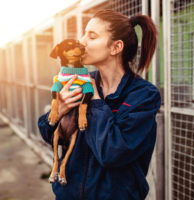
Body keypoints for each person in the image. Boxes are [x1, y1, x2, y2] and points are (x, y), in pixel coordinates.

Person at [38, 9, 161, 200]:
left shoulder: (143, 95)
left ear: (115, 47)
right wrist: (58, 112)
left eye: (92, 36)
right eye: (84, 33)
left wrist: (94, 101)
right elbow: (49, 135)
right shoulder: (79, 81)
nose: (81, 41)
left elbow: (113, 152)